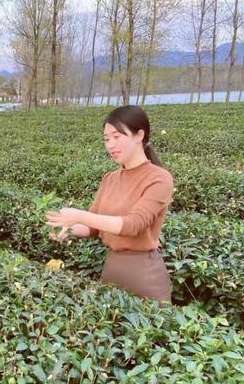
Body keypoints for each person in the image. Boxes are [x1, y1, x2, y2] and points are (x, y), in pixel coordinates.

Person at [45, 105, 174, 302]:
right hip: (112, 270)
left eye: (116, 137)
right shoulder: (110, 178)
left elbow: (133, 225)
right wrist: (71, 229)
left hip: (144, 276)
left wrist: (79, 215)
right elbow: (93, 227)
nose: (110, 145)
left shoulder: (160, 178)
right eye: (106, 139)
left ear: (139, 135)